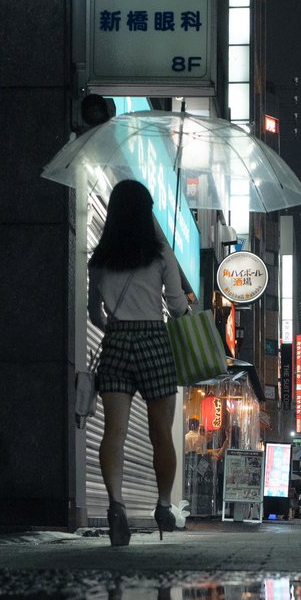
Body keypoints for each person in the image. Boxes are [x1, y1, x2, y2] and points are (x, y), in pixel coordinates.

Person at [88, 179, 191, 545]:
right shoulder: (161, 253)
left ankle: (116, 506)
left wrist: (116, 321)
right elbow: (178, 308)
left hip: (116, 342)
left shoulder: (99, 260)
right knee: (161, 432)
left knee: (113, 431)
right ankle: (163, 505)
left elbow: (95, 315)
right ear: (146, 212)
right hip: (153, 341)